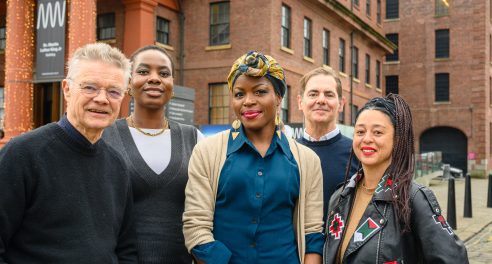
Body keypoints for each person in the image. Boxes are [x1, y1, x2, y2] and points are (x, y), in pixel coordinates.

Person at [0, 43, 137, 263]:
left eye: (114, 91)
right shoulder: (23, 155)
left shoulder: (117, 166)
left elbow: (126, 249)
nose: (102, 98)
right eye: (90, 87)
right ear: (67, 89)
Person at [183, 51, 324, 264]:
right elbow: (195, 227)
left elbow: (312, 234)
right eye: (239, 94)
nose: (248, 101)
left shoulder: (307, 160)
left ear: (278, 97)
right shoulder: (206, 151)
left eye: (259, 92)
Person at [323, 94, 468, 263]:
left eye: (377, 132)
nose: (367, 139)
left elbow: (454, 259)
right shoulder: (340, 197)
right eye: (360, 131)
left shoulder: (412, 198)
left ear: (397, 139)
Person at [103, 44, 203, 263]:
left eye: (164, 73)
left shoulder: (194, 139)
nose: (155, 78)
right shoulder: (104, 137)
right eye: (143, 71)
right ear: (128, 83)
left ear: (172, 86)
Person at [297, 67, 358, 222]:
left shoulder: (358, 153)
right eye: (313, 94)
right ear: (300, 102)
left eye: (329, 94)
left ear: (341, 104)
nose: (321, 100)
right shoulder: (286, 153)